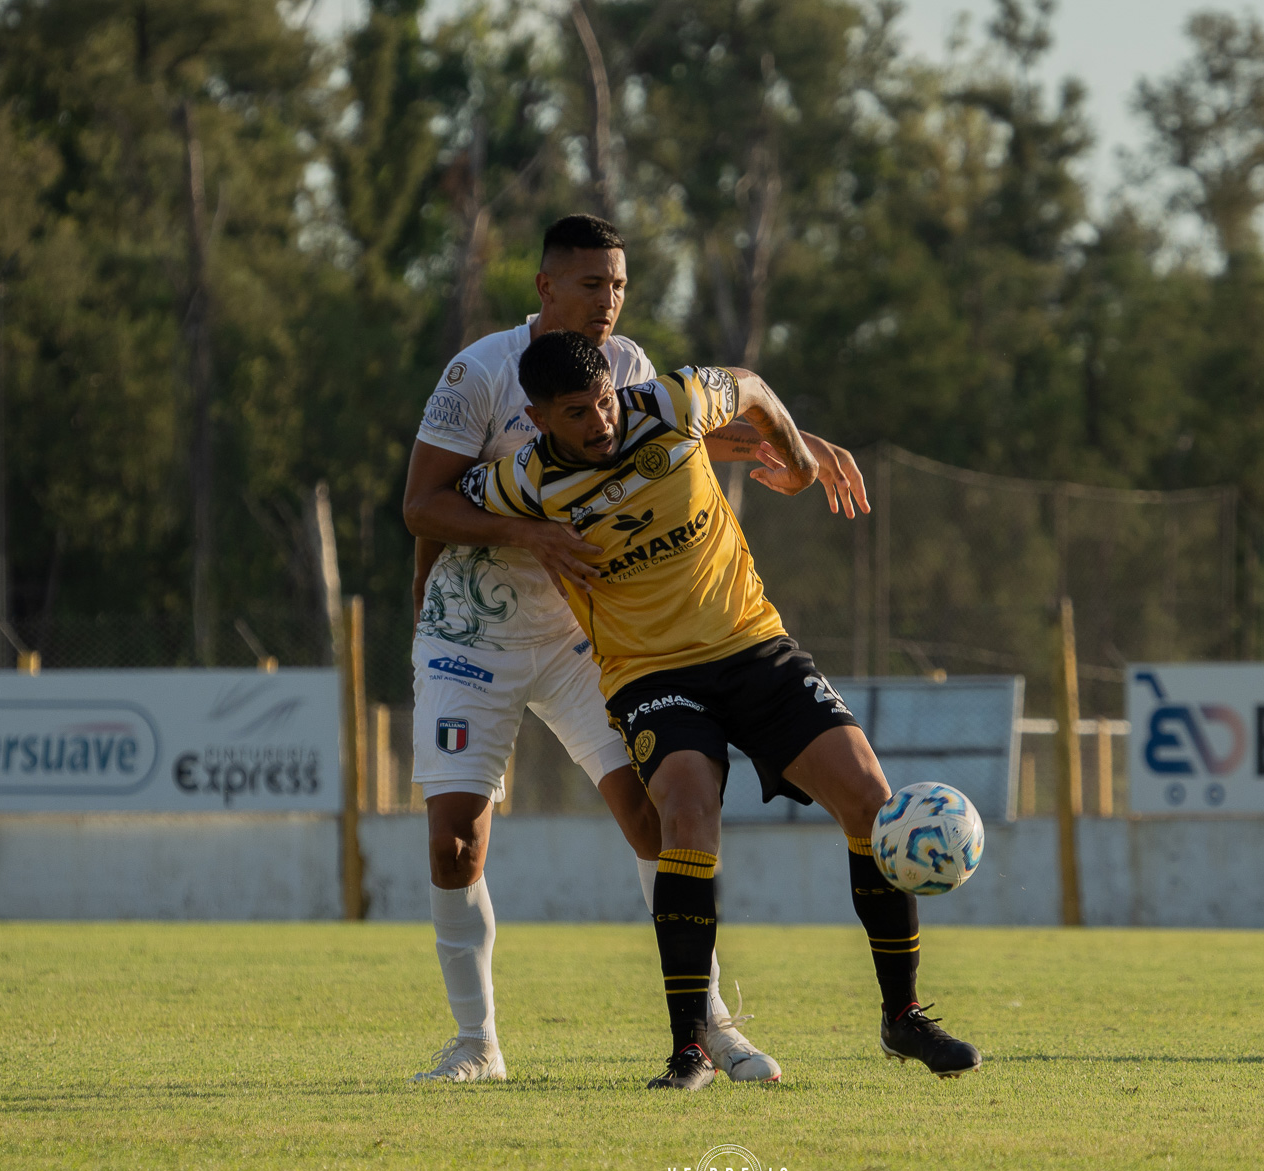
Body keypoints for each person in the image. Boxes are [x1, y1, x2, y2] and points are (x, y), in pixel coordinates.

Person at [400, 215, 867, 1083]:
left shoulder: (631, 367)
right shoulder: (476, 374)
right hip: (473, 634)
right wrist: (525, 536)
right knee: (455, 844)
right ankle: (476, 1045)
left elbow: (674, 439)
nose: (608, 301)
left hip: (593, 635)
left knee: (660, 817)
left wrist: (793, 439)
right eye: (591, 285)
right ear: (546, 288)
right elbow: (421, 504)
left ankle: (711, 1025)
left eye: (618, 285)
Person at [458, 329, 981, 1089]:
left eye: (604, 400)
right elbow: (432, 504)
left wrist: (800, 460)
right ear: (538, 419)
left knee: (869, 796)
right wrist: (522, 533)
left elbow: (756, 387)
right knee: (687, 804)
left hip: (754, 647)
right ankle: (690, 1047)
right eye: (577, 413)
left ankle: (902, 1017)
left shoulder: (671, 402)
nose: (601, 421)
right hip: (650, 672)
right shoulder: (524, 480)